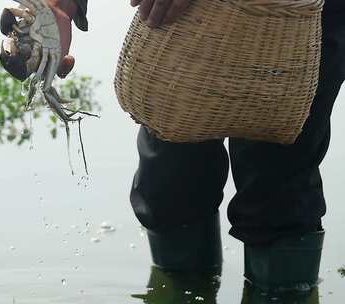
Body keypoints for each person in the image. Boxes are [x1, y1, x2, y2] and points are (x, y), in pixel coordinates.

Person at [46, 0, 345, 291]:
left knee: (279, 188)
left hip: (301, 17)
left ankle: (283, 292)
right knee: (171, 183)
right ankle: (181, 288)